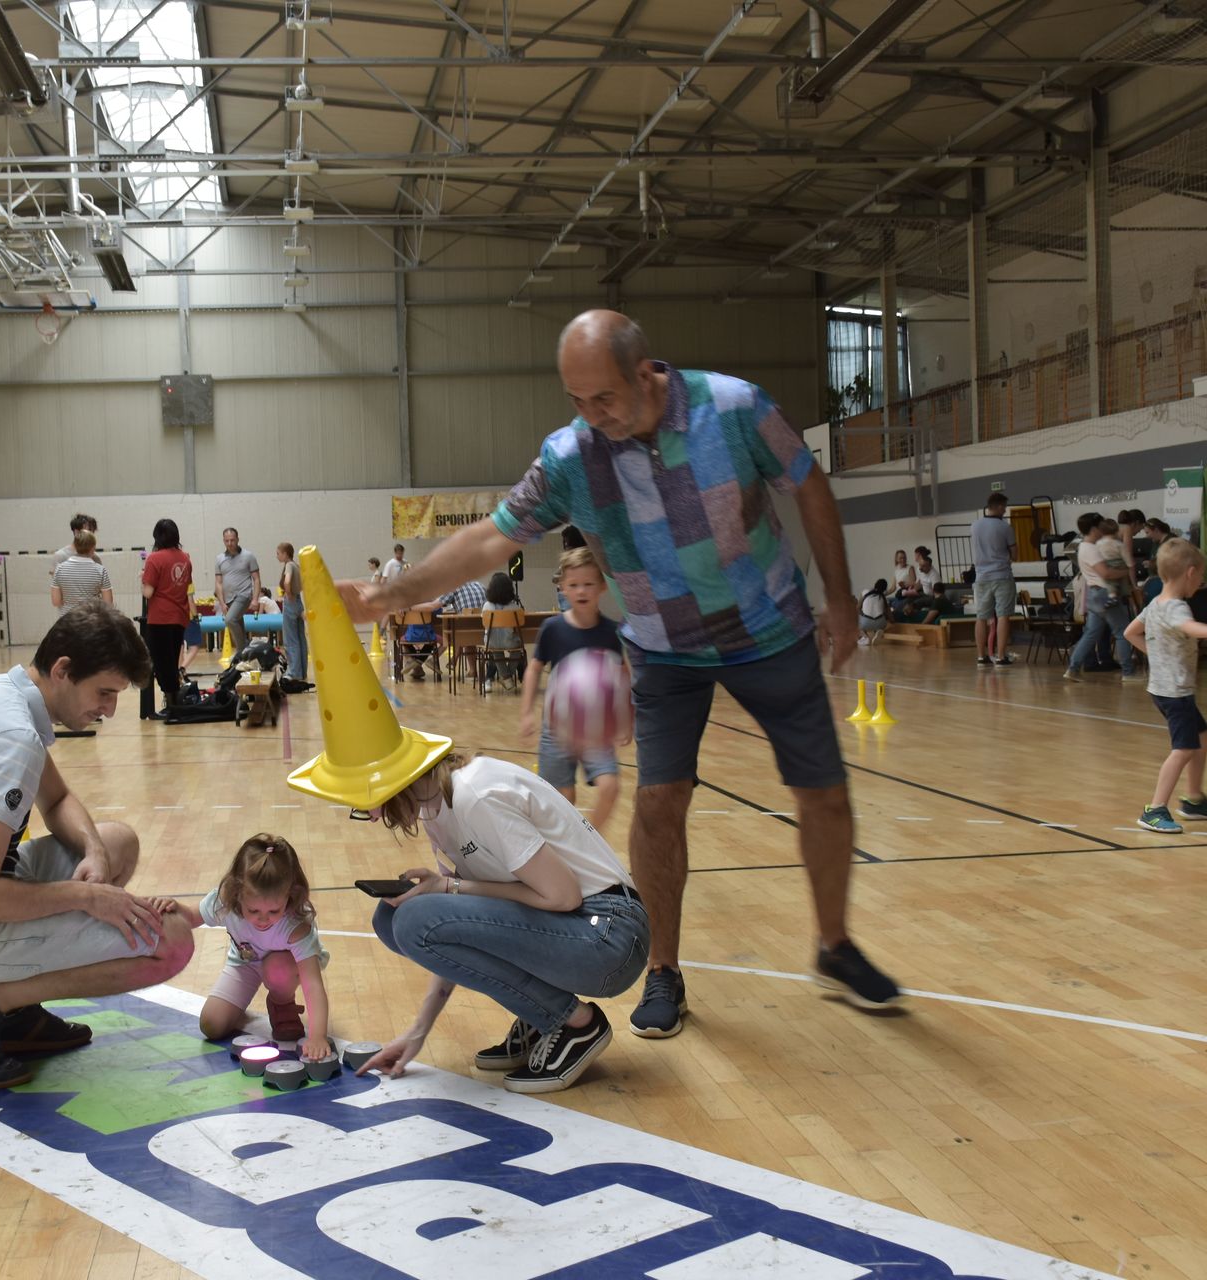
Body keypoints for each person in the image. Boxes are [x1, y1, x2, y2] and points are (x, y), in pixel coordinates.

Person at [341, 309, 901, 1037]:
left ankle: (835, 945)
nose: (591, 415)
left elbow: (810, 483)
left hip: (769, 629)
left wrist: (840, 596)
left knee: (823, 793)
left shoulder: (734, 408)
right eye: (576, 400)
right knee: (660, 804)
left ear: (646, 373)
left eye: (603, 397)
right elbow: (488, 540)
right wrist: (391, 595)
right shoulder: (571, 456)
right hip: (665, 649)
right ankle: (664, 969)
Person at [0, 601, 194, 1090]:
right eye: (104, 693)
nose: (110, 710)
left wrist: (94, 853)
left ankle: (16, 1012)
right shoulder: (13, 738)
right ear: (63, 670)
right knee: (171, 942)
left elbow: (58, 798)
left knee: (116, 843)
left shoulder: (0, 695)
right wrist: (86, 897)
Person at [357, 751, 651, 1094]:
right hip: (575, 924)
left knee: (412, 918)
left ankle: (576, 1024)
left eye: (365, 805)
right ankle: (538, 1015)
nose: (373, 818)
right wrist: (417, 1031)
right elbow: (448, 936)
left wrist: (452, 887)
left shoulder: (474, 796)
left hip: (609, 934)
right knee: (391, 918)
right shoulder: (435, 804)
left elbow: (563, 896)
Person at [152, 835, 332, 1062]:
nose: (263, 919)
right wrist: (174, 909)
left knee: (278, 967)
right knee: (211, 1025)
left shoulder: (296, 925)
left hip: (283, 967)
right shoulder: (225, 902)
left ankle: (281, 1002)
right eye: (253, 911)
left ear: (290, 895)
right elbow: (191, 917)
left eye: (274, 911)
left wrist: (317, 1036)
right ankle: (236, 1006)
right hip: (245, 962)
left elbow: (312, 984)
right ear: (237, 893)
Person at [1123, 538, 1207, 832]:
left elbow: (1130, 633)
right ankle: (1154, 809)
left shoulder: (1155, 604)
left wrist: (1156, 656)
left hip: (1165, 689)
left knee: (1202, 738)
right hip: (1175, 693)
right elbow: (1188, 627)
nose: (1201, 581)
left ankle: (1194, 800)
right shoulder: (1177, 607)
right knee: (1184, 749)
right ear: (1190, 573)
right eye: (1201, 576)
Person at [517, 546, 627, 828]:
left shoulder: (611, 632)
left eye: (588, 584)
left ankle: (591, 841)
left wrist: (628, 717)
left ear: (602, 586)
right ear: (563, 588)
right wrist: (527, 712)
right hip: (557, 728)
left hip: (597, 728)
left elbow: (621, 675)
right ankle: (568, 841)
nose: (581, 591)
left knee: (610, 786)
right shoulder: (552, 628)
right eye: (574, 585)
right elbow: (534, 668)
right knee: (563, 798)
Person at [1064, 514, 1137, 682]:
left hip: (1094, 594)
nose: (1103, 529)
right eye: (1100, 526)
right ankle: (1128, 672)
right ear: (1094, 528)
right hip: (1104, 593)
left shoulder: (1084, 547)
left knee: (1091, 634)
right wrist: (1126, 571)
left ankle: (1073, 669)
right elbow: (1106, 573)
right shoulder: (1091, 549)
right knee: (1122, 632)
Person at [139, 519, 194, 720]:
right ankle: (174, 704)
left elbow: (148, 592)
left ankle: (173, 706)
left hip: (160, 618)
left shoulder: (154, 559)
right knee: (171, 661)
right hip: (179, 616)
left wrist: (142, 578)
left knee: (162, 664)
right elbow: (186, 586)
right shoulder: (185, 558)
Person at [971, 493, 1016, 665]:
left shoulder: (975, 526)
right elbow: (1015, 554)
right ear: (999, 506)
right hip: (1002, 576)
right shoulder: (1005, 527)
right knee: (1003, 616)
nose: (1005, 511)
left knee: (981, 617)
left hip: (981, 577)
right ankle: (1001, 656)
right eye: (1004, 507)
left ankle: (981, 656)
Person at [215, 527, 262, 656]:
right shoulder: (219, 559)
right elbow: (218, 583)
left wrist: (255, 599)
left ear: (238, 539)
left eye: (232, 540)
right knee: (238, 624)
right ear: (223, 541)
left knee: (229, 620)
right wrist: (222, 603)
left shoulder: (248, 556)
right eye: (227, 541)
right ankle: (246, 654)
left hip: (244, 595)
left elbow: (256, 579)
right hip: (228, 598)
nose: (230, 543)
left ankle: (242, 651)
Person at [480, 571, 524, 693]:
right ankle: (507, 676)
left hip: (491, 643)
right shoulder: (515, 608)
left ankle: (506, 677)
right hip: (509, 642)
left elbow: (484, 625)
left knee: (495, 648)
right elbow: (518, 628)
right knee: (518, 648)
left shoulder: (486, 606)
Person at [51, 530, 113, 612]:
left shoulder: (59, 569)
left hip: (67, 617)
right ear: (93, 547)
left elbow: (56, 602)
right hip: (92, 617)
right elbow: (108, 603)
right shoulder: (100, 570)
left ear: (75, 546)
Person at [277, 543, 307, 682]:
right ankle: (302, 671)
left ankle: (294, 672)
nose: (277, 556)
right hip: (299, 601)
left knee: (290, 639)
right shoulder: (296, 565)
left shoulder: (289, 565)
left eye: (278, 553)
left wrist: (288, 594)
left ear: (285, 554)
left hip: (291, 602)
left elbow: (287, 581)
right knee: (300, 638)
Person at [52, 514, 100, 579]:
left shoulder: (95, 557)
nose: (91, 535)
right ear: (76, 532)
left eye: (93, 531)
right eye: (89, 531)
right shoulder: (61, 555)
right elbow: (57, 583)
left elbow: (100, 582)